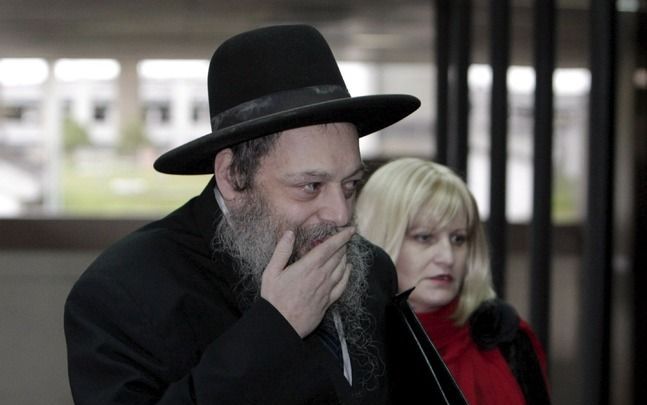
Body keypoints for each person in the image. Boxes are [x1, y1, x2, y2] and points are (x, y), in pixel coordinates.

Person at [63, 25, 420, 405]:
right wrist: (273, 331)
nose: (340, 214)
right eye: (310, 186)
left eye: (350, 185)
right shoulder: (123, 293)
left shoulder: (372, 269)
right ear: (233, 177)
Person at [355, 157, 551, 405]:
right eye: (425, 237)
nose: (447, 257)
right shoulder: (347, 347)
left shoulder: (503, 334)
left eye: (458, 239)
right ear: (379, 239)